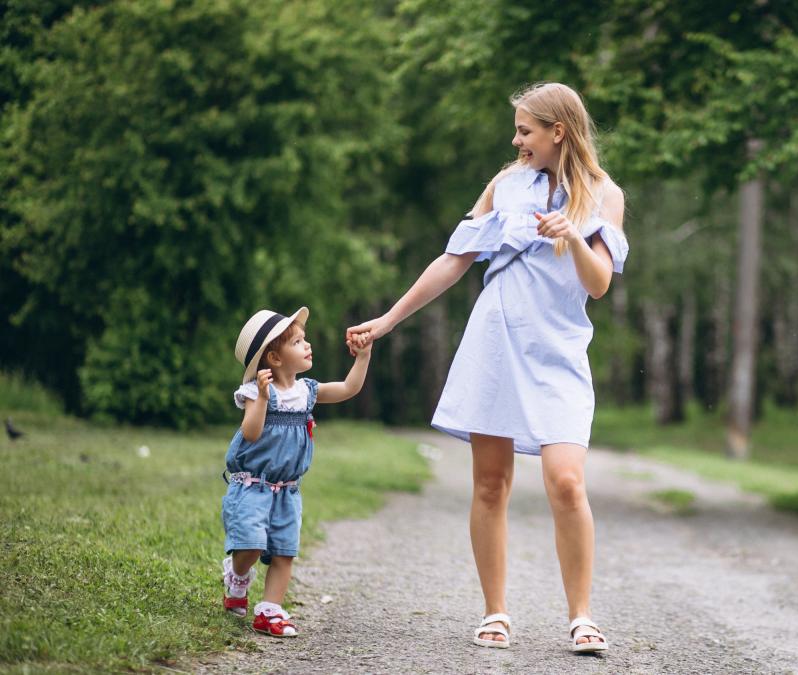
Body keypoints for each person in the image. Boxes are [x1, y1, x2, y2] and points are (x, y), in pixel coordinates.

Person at [347, 82, 628, 653]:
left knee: (567, 482)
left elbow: (598, 285)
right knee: (490, 482)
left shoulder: (603, 194)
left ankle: (581, 617)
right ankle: (495, 613)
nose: (516, 139)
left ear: (559, 132)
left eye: (525, 130)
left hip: (558, 353)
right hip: (496, 341)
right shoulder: (504, 186)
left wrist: (573, 233)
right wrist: (388, 320)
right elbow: (454, 261)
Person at [221, 306, 372, 637]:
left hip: (288, 489)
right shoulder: (256, 393)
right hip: (253, 486)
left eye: (305, 339)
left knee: (284, 551)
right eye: (298, 341)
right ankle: (237, 577)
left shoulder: (307, 391)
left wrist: (362, 358)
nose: (307, 345)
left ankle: (270, 610)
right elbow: (251, 433)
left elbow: (348, 389)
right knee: (252, 545)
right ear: (274, 358)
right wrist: (261, 397)